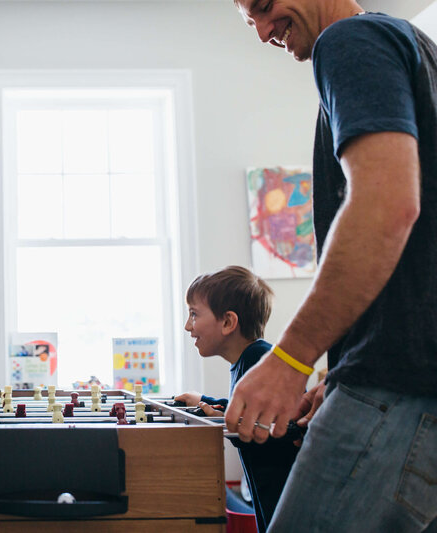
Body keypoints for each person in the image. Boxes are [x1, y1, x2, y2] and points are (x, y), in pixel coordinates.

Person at [225, 1, 437, 531]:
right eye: (250, 20)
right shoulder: (415, 48)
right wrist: (338, 368)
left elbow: (387, 207)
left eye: (265, 6)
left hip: (394, 395)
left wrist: (290, 361)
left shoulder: (349, 43)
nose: (264, 33)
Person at [175, 266, 298, 532]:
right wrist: (206, 401)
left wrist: (225, 415)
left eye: (194, 314)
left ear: (229, 322)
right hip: (268, 495)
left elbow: (280, 423)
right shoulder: (249, 361)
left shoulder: (259, 360)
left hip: (286, 498)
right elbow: (252, 409)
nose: (188, 326)